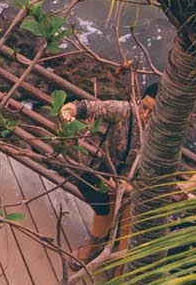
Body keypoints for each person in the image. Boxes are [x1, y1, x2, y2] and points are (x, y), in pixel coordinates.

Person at [57, 80, 157, 265]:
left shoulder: (162, 135)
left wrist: (131, 187)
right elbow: (91, 107)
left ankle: (118, 267)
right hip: (108, 176)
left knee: (127, 237)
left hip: (137, 187)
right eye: (144, 107)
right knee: (103, 212)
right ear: (138, 101)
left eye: (153, 113)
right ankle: (95, 244)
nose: (145, 115)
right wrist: (68, 111)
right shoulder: (125, 111)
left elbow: (158, 173)